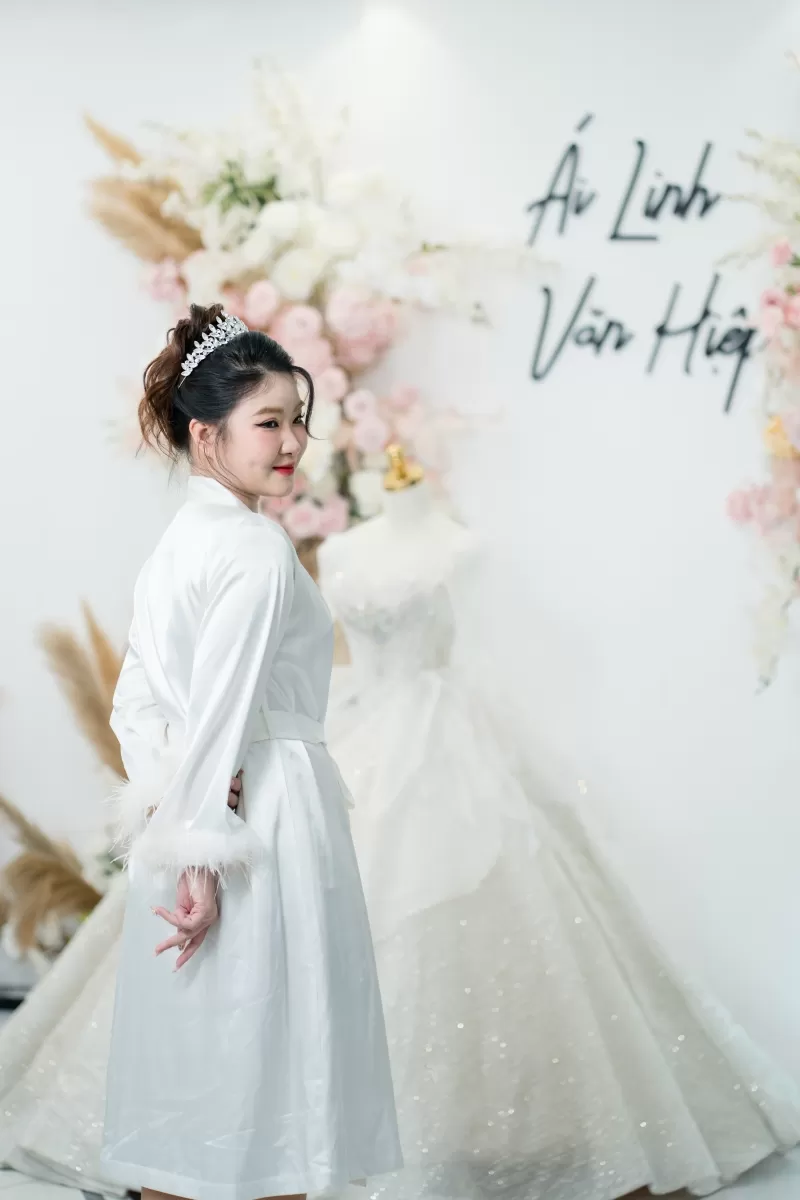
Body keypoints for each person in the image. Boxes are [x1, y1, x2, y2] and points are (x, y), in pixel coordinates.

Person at [99, 305, 403, 1200]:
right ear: (206, 433)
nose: (293, 443)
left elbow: (137, 704)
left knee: (194, 1080)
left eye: (297, 420)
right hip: (259, 821)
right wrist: (202, 858)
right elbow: (224, 709)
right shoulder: (257, 549)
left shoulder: (177, 543)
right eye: (269, 422)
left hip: (190, 816)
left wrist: (174, 807)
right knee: (273, 1083)